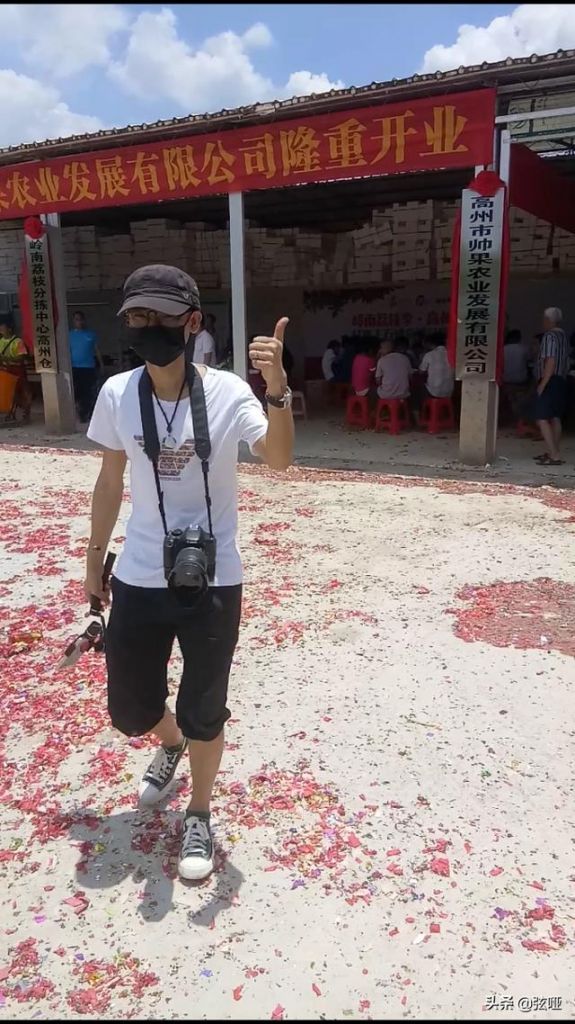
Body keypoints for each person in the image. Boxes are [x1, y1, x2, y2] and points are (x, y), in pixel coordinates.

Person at [85, 264, 294, 882]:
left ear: (193, 323)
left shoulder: (228, 391)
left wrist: (275, 386)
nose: (149, 329)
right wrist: (93, 562)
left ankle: (199, 812)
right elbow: (108, 480)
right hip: (141, 573)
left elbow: (279, 458)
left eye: (162, 318)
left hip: (214, 578)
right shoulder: (118, 394)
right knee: (129, 706)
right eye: (138, 318)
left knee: (206, 705)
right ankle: (168, 743)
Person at [533, 306, 570, 466]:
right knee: (555, 417)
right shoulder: (564, 337)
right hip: (561, 379)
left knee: (541, 417)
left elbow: (551, 360)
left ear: (548, 320)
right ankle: (554, 451)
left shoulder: (549, 337)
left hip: (550, 379)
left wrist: (543, 384)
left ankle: (554, 455)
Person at [69, 311, 102, 423]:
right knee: (76, 391)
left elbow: (97, 350)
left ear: (84, 320)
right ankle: (79, 411)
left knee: (87, 392)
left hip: (88, 367)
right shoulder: (69, 335)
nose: (79, 322)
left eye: (80, 319)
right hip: (74, 367)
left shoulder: (91, 334)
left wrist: (101, 364)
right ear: (73, 321)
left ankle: (85, 413)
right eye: (76, 319)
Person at [419, 332, 454, 398]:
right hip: (449, 391)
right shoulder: (452, 354)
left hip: (434, 391)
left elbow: (421, 371)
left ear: (430, 343)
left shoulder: (429, 354)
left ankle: (423, 407)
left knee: (419, 386)